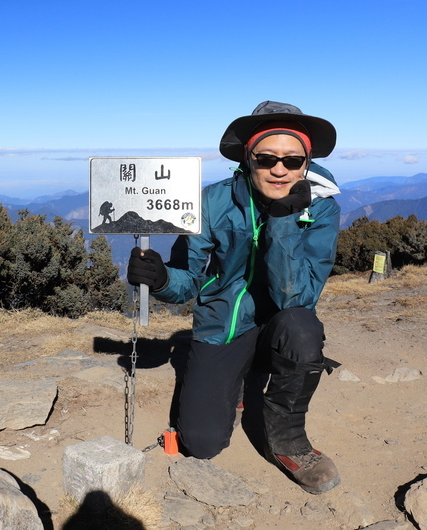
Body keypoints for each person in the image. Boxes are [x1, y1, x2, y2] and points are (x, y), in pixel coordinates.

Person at [127, 101, 342, 495]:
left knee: (302, 328)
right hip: (223, 325)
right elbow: (188, 280)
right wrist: (159, 279)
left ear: (306, 163)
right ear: (248, 158)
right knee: (202, 443)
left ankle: (290, 441)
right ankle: (241, 378)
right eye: (267, 158)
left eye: (293, 161)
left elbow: (297, 295)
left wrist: (283, 220)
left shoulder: (321, 208)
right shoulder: (213, 202)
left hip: (282, 322)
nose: (280, 170)